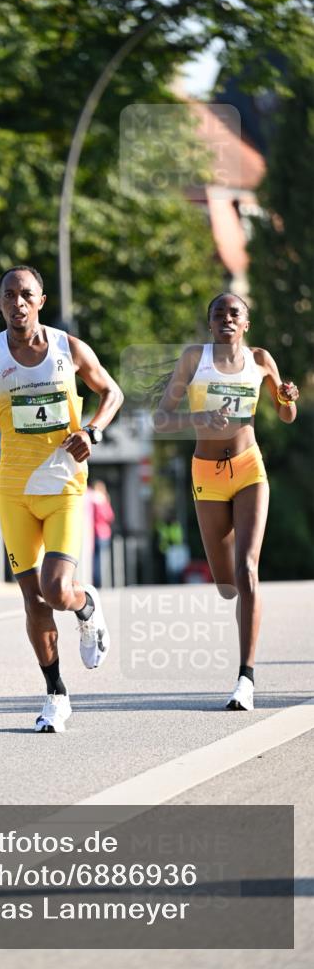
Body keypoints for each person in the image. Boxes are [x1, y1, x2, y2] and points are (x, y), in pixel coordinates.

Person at [0, 265, 123, 733]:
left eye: (26, 295)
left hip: (65, 487)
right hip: (14, 491)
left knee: (55, 589)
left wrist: (94, 431)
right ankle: (55, 695)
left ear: (41, 301)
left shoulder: (69, 349)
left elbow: (111, 391)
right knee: (32, 600)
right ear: (0, 302)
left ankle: (85, 606)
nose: (18, 303)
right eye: (9, 295)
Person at [155, 291, 299, 711]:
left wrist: (287, 397)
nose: (227, 319)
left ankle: (246, 679)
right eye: (219, 314)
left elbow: (286, 414)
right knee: (226, 585)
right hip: (206, 475)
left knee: (248, 568)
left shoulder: (260, 360)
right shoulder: (193, 359)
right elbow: (161, 418)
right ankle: (237, 597)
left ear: (246, 322)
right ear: (210, 323)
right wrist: (197, 417)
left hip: (249, 468)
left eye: (234, 313)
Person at [90, 479, 114, 587]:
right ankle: (100, 582)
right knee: (101, 560)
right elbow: (110, 516)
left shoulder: (91, 500)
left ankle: (96, 581)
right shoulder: (103, 500)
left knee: (94, 560)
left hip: (93, 533)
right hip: (103, 534)